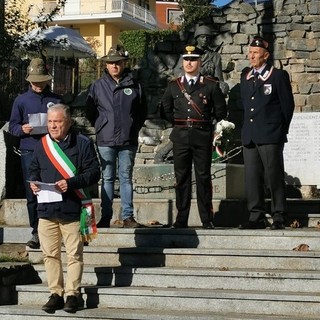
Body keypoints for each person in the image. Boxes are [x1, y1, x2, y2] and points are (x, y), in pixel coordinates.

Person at [28, 104, 100, 313]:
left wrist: (72, 183)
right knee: (50, 255)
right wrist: (33, 181)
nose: (53, 126)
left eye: (58, 122)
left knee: (74, 255)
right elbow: (33, 169)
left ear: (68, 122)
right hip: (46, 210)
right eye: (50, 122)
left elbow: (94, 172)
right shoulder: (42, 145)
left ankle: (73, 295)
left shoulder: (83, 143)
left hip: (72, 209)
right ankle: (55, 293)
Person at [161, 45, 227, 229]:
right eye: (187, 60)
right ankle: (181, 218)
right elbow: (165, 110)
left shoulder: (210, 85)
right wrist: (179, 123)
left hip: (202, 136)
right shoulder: (174, 86)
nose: (190, 63)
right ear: (183, 62)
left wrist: (207, 124)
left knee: (203, 177)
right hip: (180, 136)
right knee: (181, 178)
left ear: (199, 62)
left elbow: (221, 111)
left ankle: (207, 219)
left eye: (194, 60)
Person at [86, 45, 147, 228]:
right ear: (106, 65)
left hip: (128, 139)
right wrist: (101, 125)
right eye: (111, 63)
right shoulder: (97, 86)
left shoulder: (135, 85)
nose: (114, 66)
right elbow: (90, 110)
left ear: (124, 63)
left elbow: (142, 110)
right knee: (107, 178)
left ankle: (128, 216)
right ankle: (106, 217)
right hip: (106, 139)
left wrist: (133, 127)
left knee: (126, 177)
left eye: (118, 63)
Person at [239, 36, 295, 230]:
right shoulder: (245, 76)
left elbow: (288, 107)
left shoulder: (277, 76)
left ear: (266, 55)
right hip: (250, 135)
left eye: (255, 53)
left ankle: (279, 214)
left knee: (274, 176)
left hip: (271, 134)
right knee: (252, 178)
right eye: (250, 52)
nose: (251, 55)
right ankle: (256, 215)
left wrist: (280, 131)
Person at [9, 58, 62, 249]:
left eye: (41, 81)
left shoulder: (56, 100)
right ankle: (36, 231)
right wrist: (22, 129)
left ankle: (57, 229)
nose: (38, 85)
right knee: (33, 193)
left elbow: (66, 124)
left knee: (56, 189)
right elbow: (12, 126)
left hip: (53, 151)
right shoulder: (21, 100)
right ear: (29, 81)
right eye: (35, 81)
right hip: (29, 150)